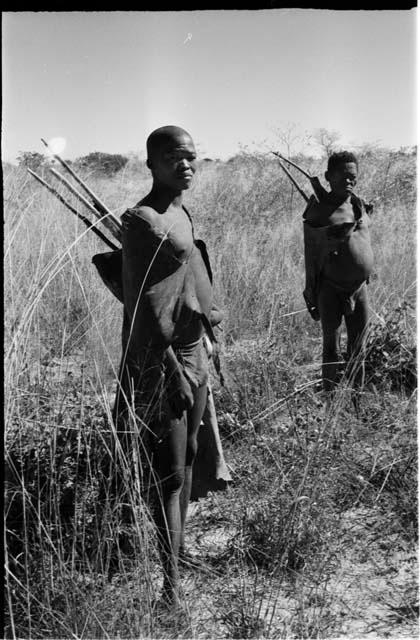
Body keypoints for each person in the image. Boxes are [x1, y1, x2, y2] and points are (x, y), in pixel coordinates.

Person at [112, 125, 229, 608]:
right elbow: (141, 304)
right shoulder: (141, 220)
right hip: (162, 361)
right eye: (172, 157)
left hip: (193, 350)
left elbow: (190, 282)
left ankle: (177, 555)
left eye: (191, 158)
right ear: (151, 163)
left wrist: (210, 338)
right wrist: (169, 370)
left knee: (193, 451)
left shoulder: (181, 212)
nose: (185, 165)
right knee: (171, 473)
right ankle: (171, 588)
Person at [302, 151, 374, 393]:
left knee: (358, 348)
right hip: (330, 288)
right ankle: (330, 400)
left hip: (359, 288)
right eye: (342, 177)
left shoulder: (358, 204)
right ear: (327, 177)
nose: (348, 181)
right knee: (331, 347)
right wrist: (311, 292)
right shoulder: (318, 211)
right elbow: (311, 255)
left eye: (352, 177)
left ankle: (357, 402)